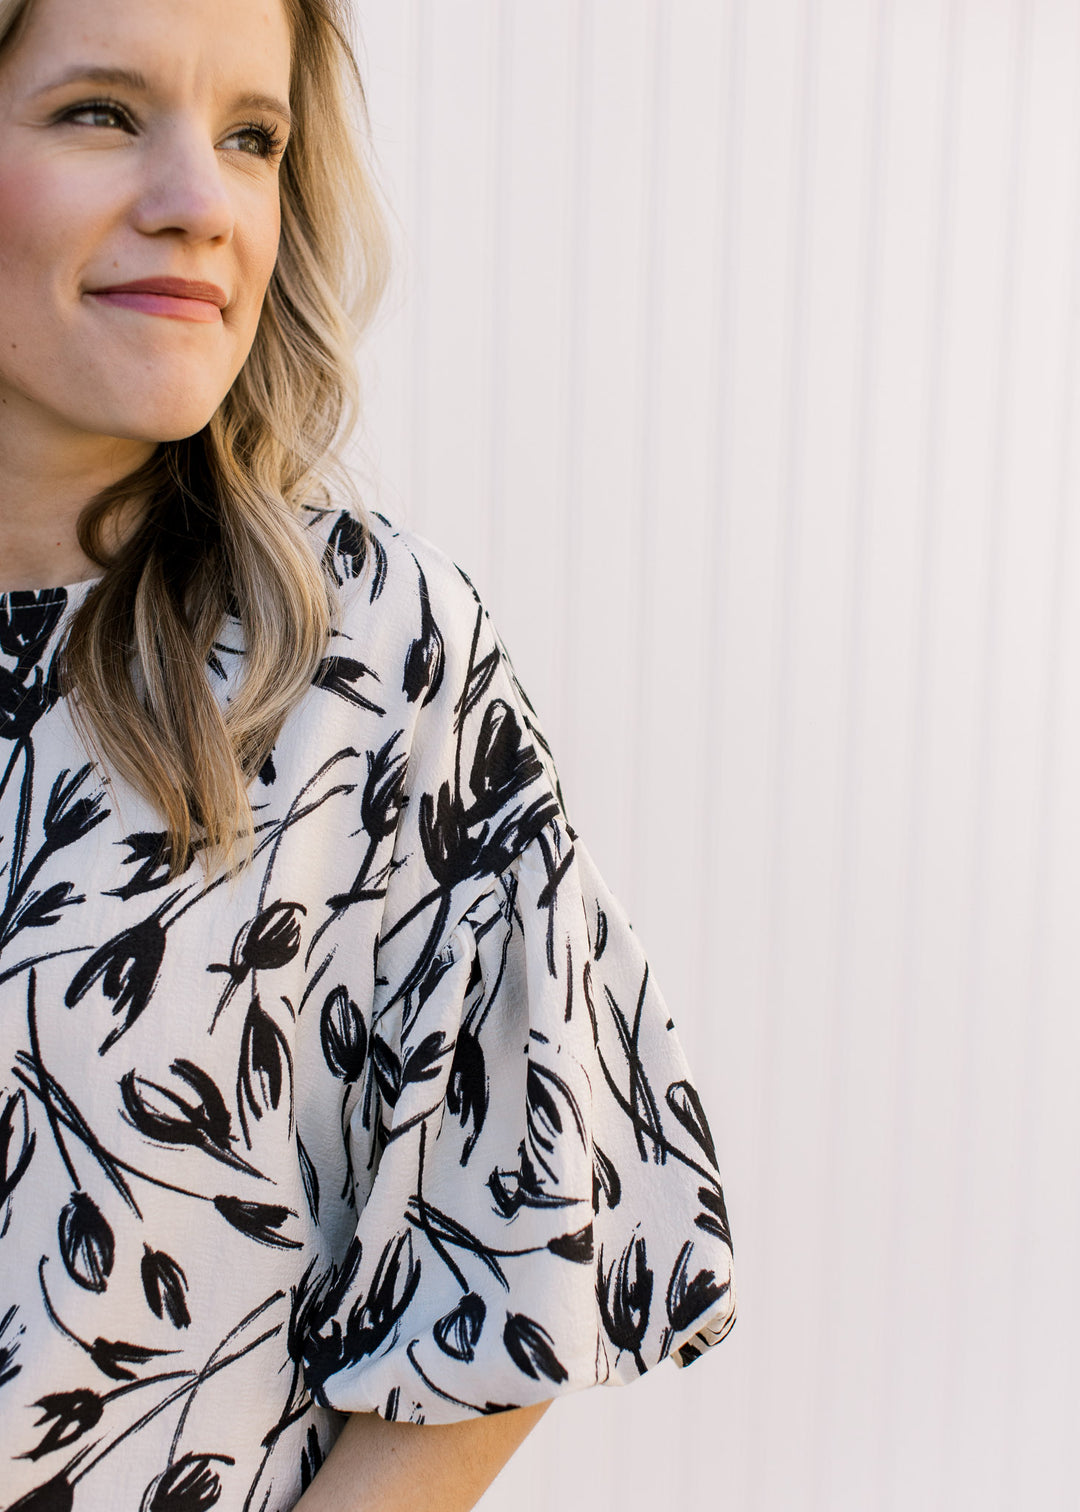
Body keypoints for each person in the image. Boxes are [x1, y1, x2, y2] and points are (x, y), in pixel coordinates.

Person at [0, 0, 737, 1505]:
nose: (201, 203)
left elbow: (527, 1248)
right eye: (100, 113)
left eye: (252, 138)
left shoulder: (374, 664)